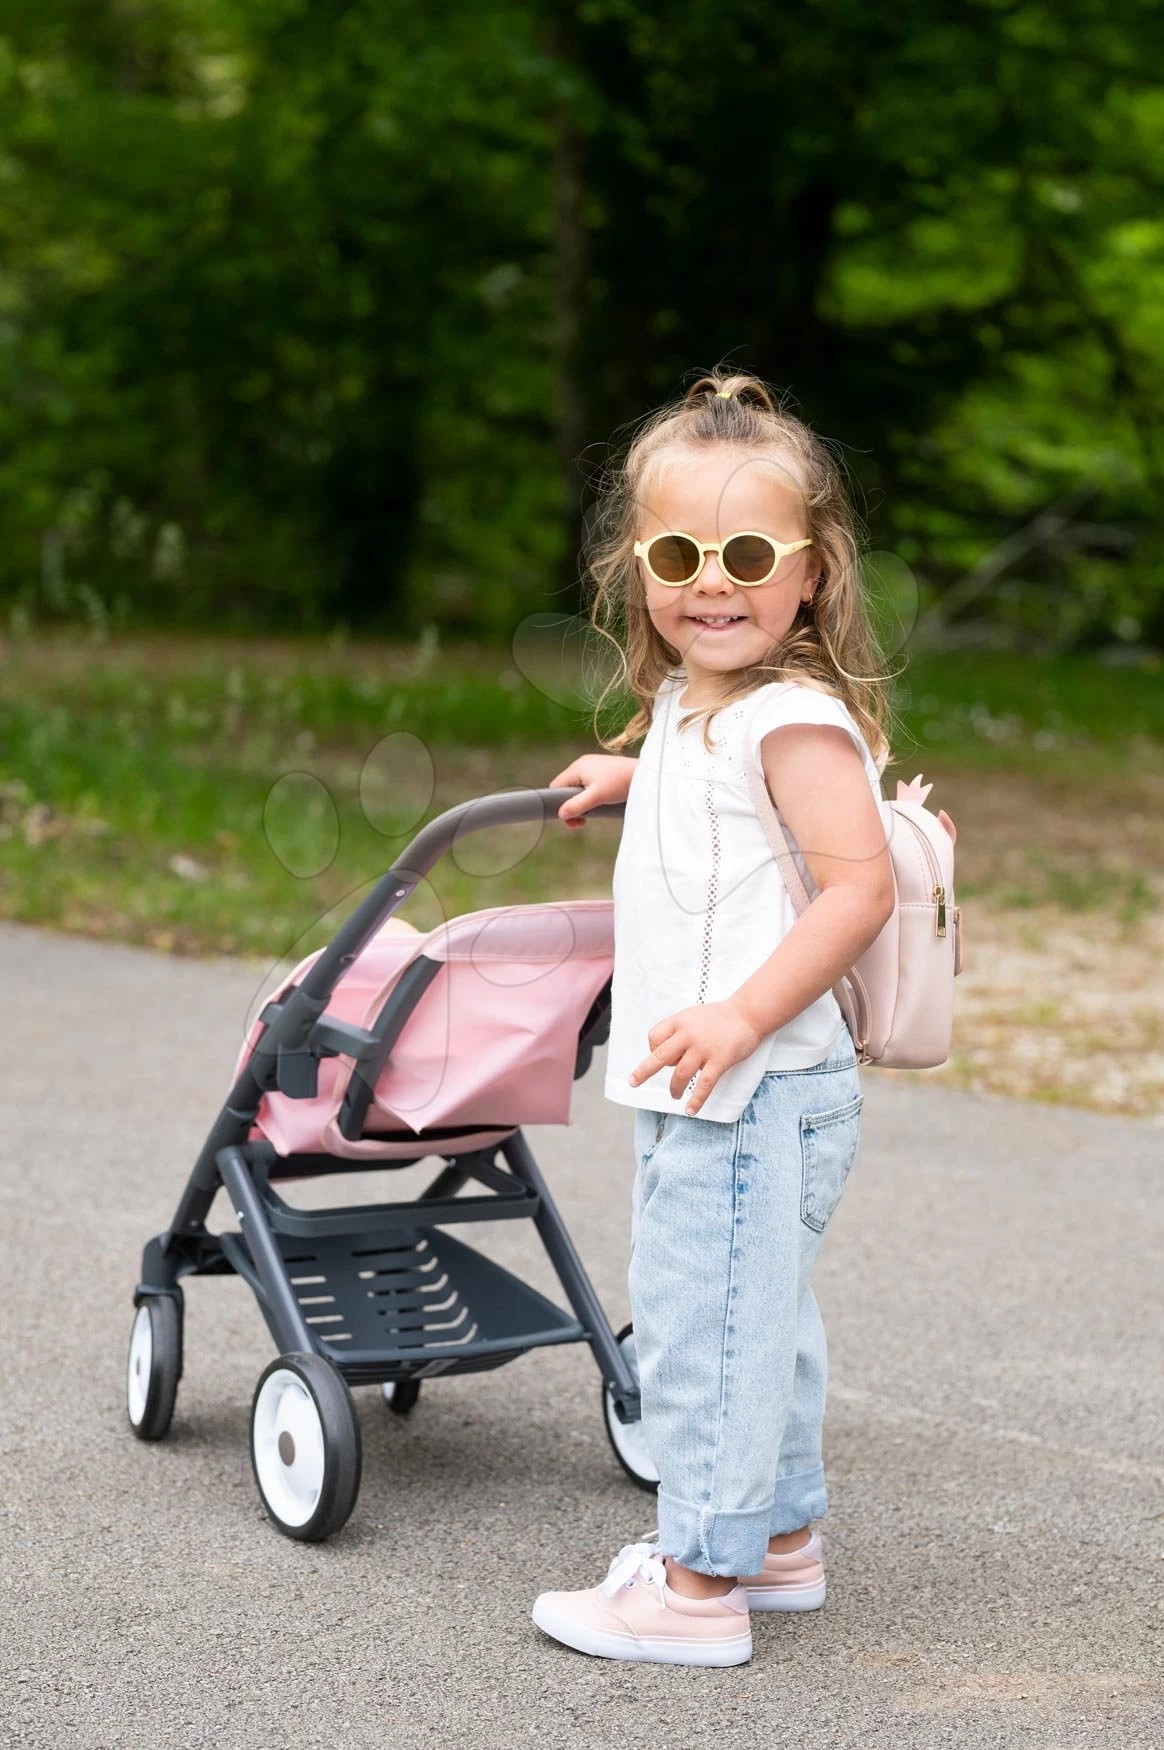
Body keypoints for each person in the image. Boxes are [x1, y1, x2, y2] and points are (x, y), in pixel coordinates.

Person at [531, 370, 908, 1668]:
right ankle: (784, 1540)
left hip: (749, 1085)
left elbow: (859, 886)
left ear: (811, 573)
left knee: (709, 1328)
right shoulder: (704, 704)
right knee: (764, 1318)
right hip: (717, 1087)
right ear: (639, 567)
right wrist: (628, 770)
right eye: (678, 552)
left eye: (749, 553)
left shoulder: (797, 721)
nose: (713, 580)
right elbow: (714, 796)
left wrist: (744, 1014)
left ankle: (696, 1584)